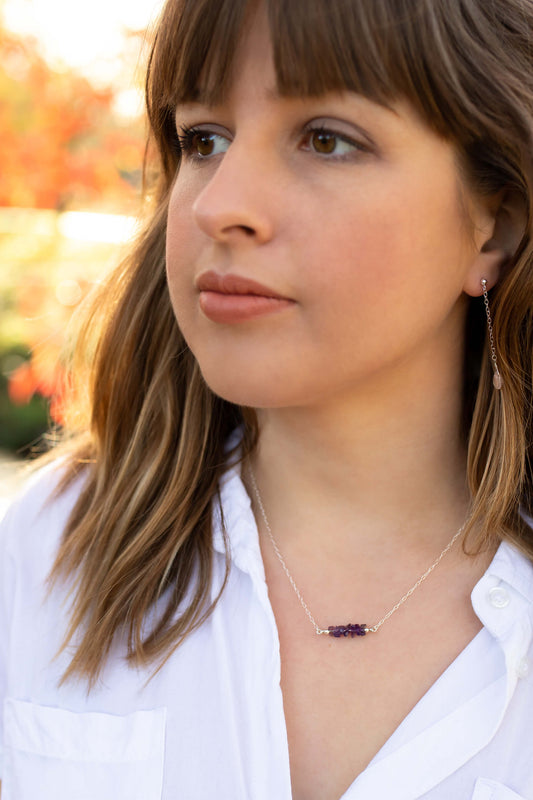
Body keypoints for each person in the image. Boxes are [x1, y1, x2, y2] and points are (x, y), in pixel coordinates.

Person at [1, 0, 533, 798]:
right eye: (202, 140)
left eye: (326, 140)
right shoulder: (41, 556)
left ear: (495, 225)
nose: (218, 205)